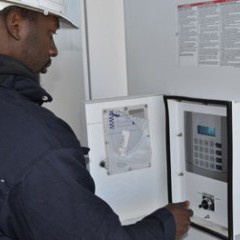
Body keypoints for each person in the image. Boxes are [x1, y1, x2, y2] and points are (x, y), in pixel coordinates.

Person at [0, 1, 193, 239]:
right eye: (50, 34)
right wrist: (167, 224)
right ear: (15, 24)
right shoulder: (39, 140)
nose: (53, 50)